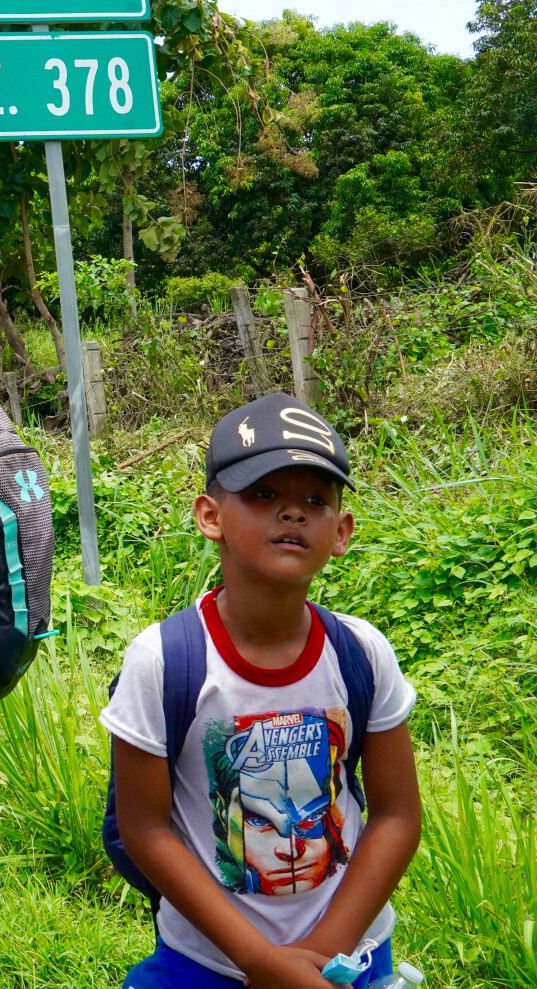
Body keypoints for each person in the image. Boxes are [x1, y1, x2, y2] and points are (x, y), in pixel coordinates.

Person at [103, 395, 422, 989]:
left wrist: (319, 958)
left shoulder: (361, 653)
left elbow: (397, 816)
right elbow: (145, 828)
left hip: (352, 959)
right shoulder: (163, 662)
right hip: (205, 961)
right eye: (265, 495)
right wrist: (260, 961)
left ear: (342, 532)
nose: (293, 514)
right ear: (209, 516)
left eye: (315, 501)